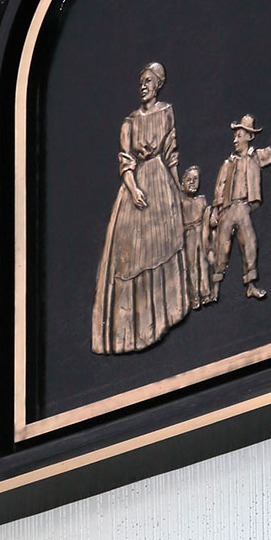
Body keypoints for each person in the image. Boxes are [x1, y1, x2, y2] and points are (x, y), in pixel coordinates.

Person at [91, 62, 191, 354]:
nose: (143, 86)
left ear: (158, 84)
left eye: (149, 81)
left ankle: (166, 315)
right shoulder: (130, 122)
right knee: (132, 256)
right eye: (141, 82)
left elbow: (172, 156)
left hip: (162, 186)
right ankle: (134, 331)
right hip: (138, 189)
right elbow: (126, 160)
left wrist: (179, 192)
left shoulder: (166, 113)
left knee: (165, 247)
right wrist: (133, 189)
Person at [210, 114, 271, 301]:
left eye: (239, 135)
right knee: (222, 247)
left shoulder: (255, 157)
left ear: (249, 137)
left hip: (243, 208)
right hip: (227, 209)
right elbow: (220, 186)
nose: (235, 140)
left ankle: (250, 285)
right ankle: (215, 288)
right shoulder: (228, 163)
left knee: (250, 244)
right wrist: (215, 210)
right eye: (235, 136)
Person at [178, 166, 214, 308]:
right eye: (189, 180)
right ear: (182, 183)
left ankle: (206, 293)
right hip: (188, 236)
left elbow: (209, 216)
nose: (192, 182)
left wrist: (212, 217)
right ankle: (194, 298)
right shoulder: (180, 202)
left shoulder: (202, 201)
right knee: (192, 266)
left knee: (203, 263)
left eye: (195, 179)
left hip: (202, 234)